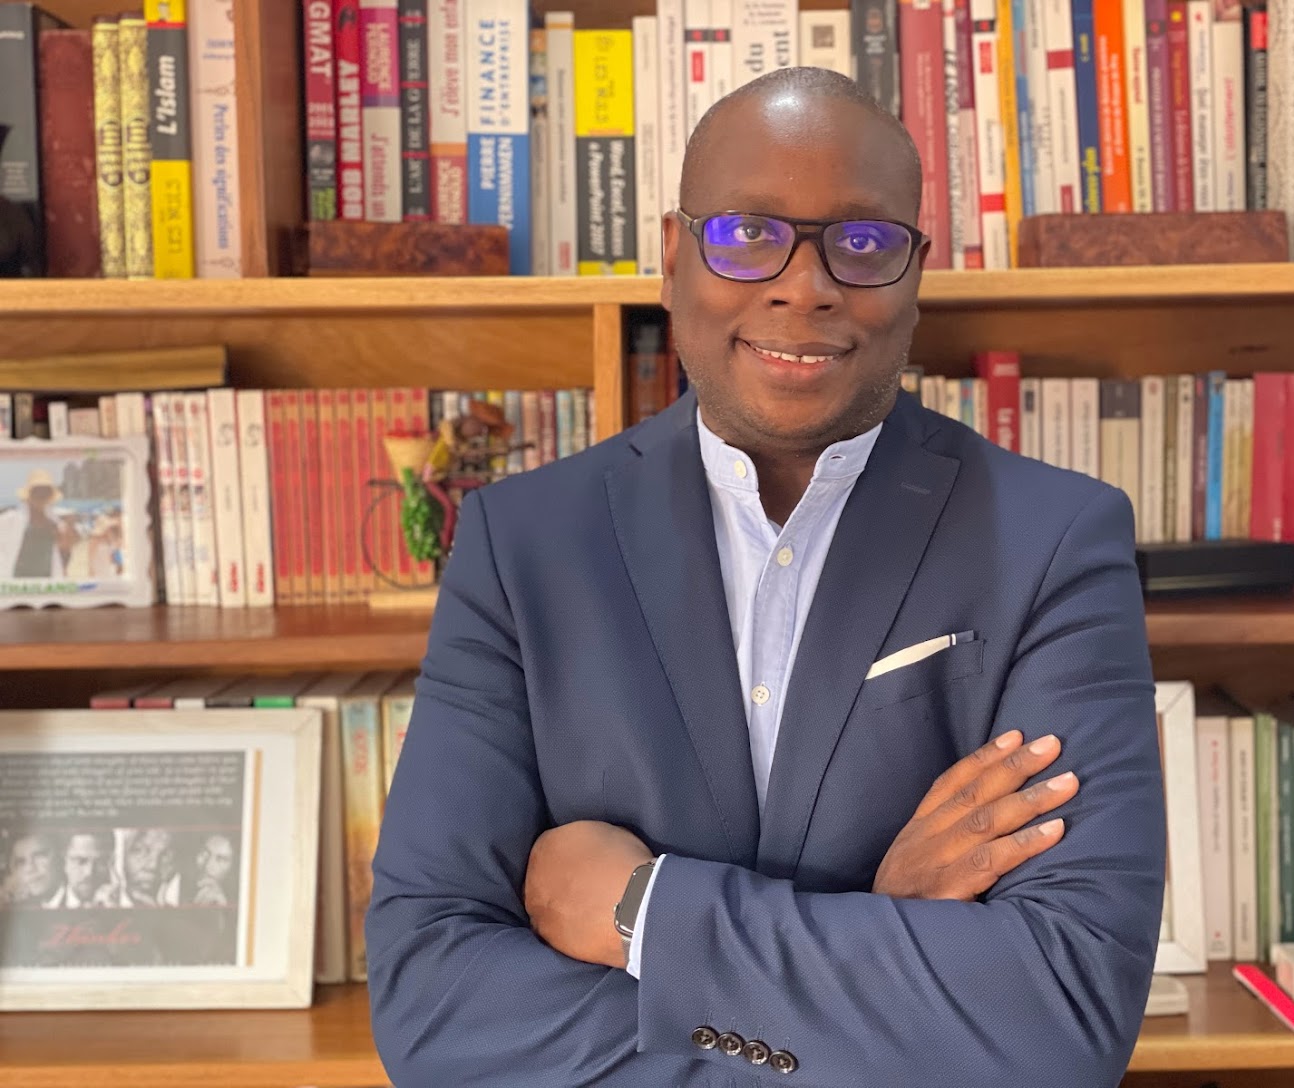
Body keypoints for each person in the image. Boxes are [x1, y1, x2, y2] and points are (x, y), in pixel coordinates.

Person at [367, 67, 1166, 1087]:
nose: (804, 285)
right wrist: (875, 940)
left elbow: (1060, 1021)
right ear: (671, 261)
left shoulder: (1055, 539)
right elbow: (432, 1006)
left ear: (914, 276)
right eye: (747, 234)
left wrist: (645, 913)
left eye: (862, 242)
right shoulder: (520, 544)